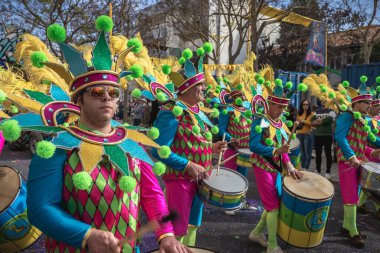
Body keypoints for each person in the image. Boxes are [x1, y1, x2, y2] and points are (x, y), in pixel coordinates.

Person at [12, 16, 191, 253]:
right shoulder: (57, 146)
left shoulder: (131, 141)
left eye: (113, 92)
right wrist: (86, 235)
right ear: (79, 101)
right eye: (96, 92)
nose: (106, 97)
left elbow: (152, 193)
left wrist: (166, 235)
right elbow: (41, 208)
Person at [152, 46, 227, 247]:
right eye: (200, 86)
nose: (205, 89)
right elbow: (158, 149)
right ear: (186, 88)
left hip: (200, 178)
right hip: (179, 180)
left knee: (193, 225)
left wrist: (213, 148)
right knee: (176, 232)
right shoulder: (171, 111)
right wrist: (187, 165)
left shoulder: (199, 112)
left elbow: (192, 143)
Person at [249, 79, 303, 253]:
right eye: (279, 107)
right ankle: (272, 245)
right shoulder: (261, 121)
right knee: (273, 206)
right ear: (270, 105)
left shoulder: (279, 124)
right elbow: (254, 146)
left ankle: (256, 233)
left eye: (284, 108)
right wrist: (275, 151)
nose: (282, 111)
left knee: (273, 204)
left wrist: (290, 165)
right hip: (262, 166)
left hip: (277, 168)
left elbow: (283, 148)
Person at [335, 78, 380, 248]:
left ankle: (346, 227)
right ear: (357, 103)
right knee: (350, 196)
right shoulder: (346, 116)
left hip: (358, 162)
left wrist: (373, 151)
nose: (370, 105)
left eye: (370, 103)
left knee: (354, 194)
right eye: (366, 103)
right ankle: (353, 231)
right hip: (347, 162)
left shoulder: (363, 120)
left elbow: (367, 141)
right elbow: (340, 137)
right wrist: (352, 156)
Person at [357, 87, 380, 219]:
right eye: (375, 105)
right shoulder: (366, 121)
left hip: (377, 154)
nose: (378, 108)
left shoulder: (377, 119)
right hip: (369, 154)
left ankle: (360, 204)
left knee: (371, 182)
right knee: (371, 182)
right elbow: (370, 137)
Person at [311, 102, 336, 179]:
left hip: (327, 136)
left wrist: (319, 121)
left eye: (325, 101)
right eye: (322, 101)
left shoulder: (332, 111)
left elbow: (328, 120)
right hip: (318, 135)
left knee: (328, 154)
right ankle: (318, 170)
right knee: (318, 154)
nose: (323, 103)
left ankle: (328, 172)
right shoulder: (317, 111)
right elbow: (312, 121)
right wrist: (321, 121)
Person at [296, 99, 314, 170]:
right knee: (302, 154)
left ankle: (306, 169)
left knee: (307, 154)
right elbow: (297, 123)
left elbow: (312, 124)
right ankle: (302, 168)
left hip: (307, 135)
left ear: (309, 105)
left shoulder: (312, 114)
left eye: (307, 104)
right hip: (299, 134)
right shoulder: (299, 114)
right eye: (304, 104)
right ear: (301, 105)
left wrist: (303, 121)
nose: (305, 106)